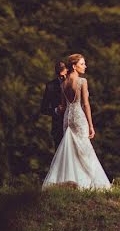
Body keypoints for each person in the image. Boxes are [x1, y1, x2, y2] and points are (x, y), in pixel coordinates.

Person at [42, 53, 112, 190]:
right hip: (78, 117)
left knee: (72, 150)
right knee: (85, 149)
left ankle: (74, 181)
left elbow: (63, 107)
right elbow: (86, 105)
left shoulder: (63, 84)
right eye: (82, 64)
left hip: (67, 118)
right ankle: (90, 182)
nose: (85, 66)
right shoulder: (82, 82)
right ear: (74, 66)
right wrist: (91, 125)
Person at [40, 60, 68, 148]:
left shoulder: (75, 82)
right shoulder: (50, 86)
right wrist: (56, 110)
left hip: (73, 123)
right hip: (58, 127)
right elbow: (43, 108)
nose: (63, 77)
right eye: (61, 75)